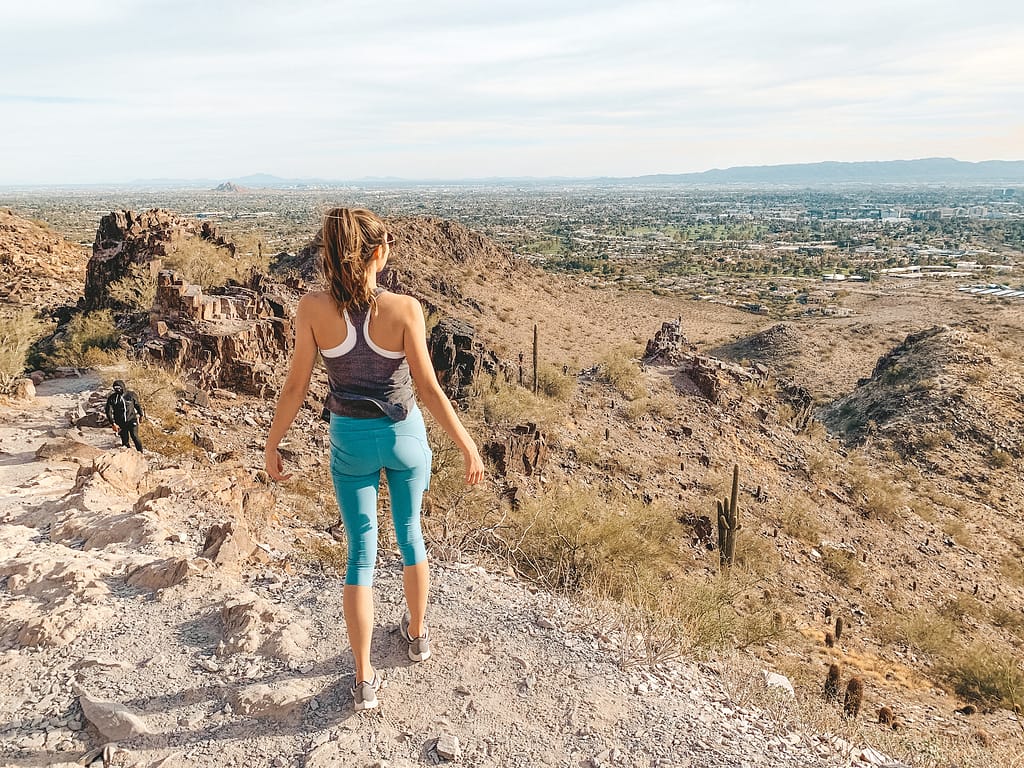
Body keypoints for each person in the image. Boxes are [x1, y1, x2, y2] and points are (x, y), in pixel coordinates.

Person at [264, 207, 485, 712]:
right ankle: (417, 635)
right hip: (404, 435)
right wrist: (466, 443)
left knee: (361, 553)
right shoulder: (406, 309)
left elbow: (295, 386)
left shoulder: (312, 309)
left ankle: (364, 678)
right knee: (410, 535)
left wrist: (272, 442)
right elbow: (428, 389)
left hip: (350, 440)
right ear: (379, 254)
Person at [104, 379, 145, 452]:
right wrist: (113, 424)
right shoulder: (112, 398)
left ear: (123, 387)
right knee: (125, 440)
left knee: (135, 436)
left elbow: (137, 405)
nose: (118, 390)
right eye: (115, 388)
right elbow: (108, 411)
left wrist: (141, 415)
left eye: (119, 388)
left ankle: (141, 452)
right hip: (120, 422)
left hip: (131, 419)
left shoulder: (131, 395)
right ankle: (128, 454)